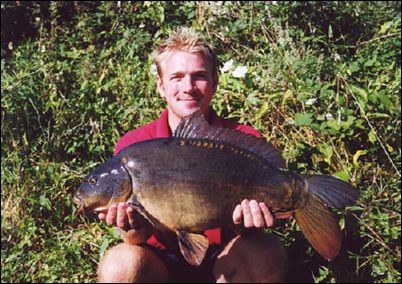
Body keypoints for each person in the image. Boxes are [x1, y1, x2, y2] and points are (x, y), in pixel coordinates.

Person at [97, 27, 292, 283]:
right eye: (176, 77)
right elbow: (135, 240)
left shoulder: (242, 140)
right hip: (161, 264)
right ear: (161, 85)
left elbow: (250, 233)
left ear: (214, 81)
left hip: (225, 260)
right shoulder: (134, 145)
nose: (188, 87)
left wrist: (250, 222)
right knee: (119, 264)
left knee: (265, 251)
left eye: (198, 76)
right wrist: (129, 225)